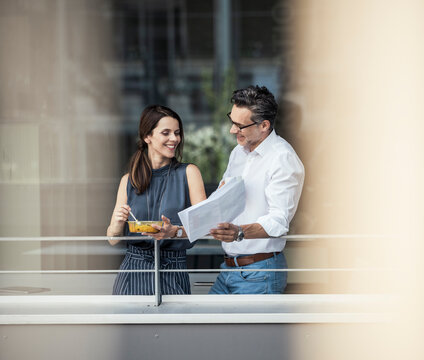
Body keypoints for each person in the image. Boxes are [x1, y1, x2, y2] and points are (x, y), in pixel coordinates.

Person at [209, 85, 305, 294]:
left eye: (239, 125)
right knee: (202, 325)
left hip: (260, 272)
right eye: (231, 121)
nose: (232, 130)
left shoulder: (282, 158)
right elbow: (222, 199)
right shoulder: (238, 152)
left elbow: (278, 221)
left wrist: (240, 232)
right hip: (228, 270)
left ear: (264, 125)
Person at [107, 105, 206, 295]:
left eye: (177, 133)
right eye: (166, 133)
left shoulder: (189, 172)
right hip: (133, 271)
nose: (174, 139)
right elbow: (112, 238)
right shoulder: (128, 180)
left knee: (174, 325)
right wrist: (118, 223)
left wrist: (174, 232)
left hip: (173, 269)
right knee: (131, 325)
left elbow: (203, 225)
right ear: (147, 137)